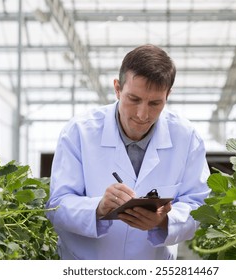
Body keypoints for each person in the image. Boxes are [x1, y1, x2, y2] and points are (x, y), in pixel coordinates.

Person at [46, 44, 210, 260]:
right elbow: (57, 205)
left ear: (168, 95)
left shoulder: (186, 138)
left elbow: (200, 205)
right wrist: (99, 208)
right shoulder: (78, 132)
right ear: (117, 88)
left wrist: (164, 221)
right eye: (134, 99)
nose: (143, 114)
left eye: (155, 103)